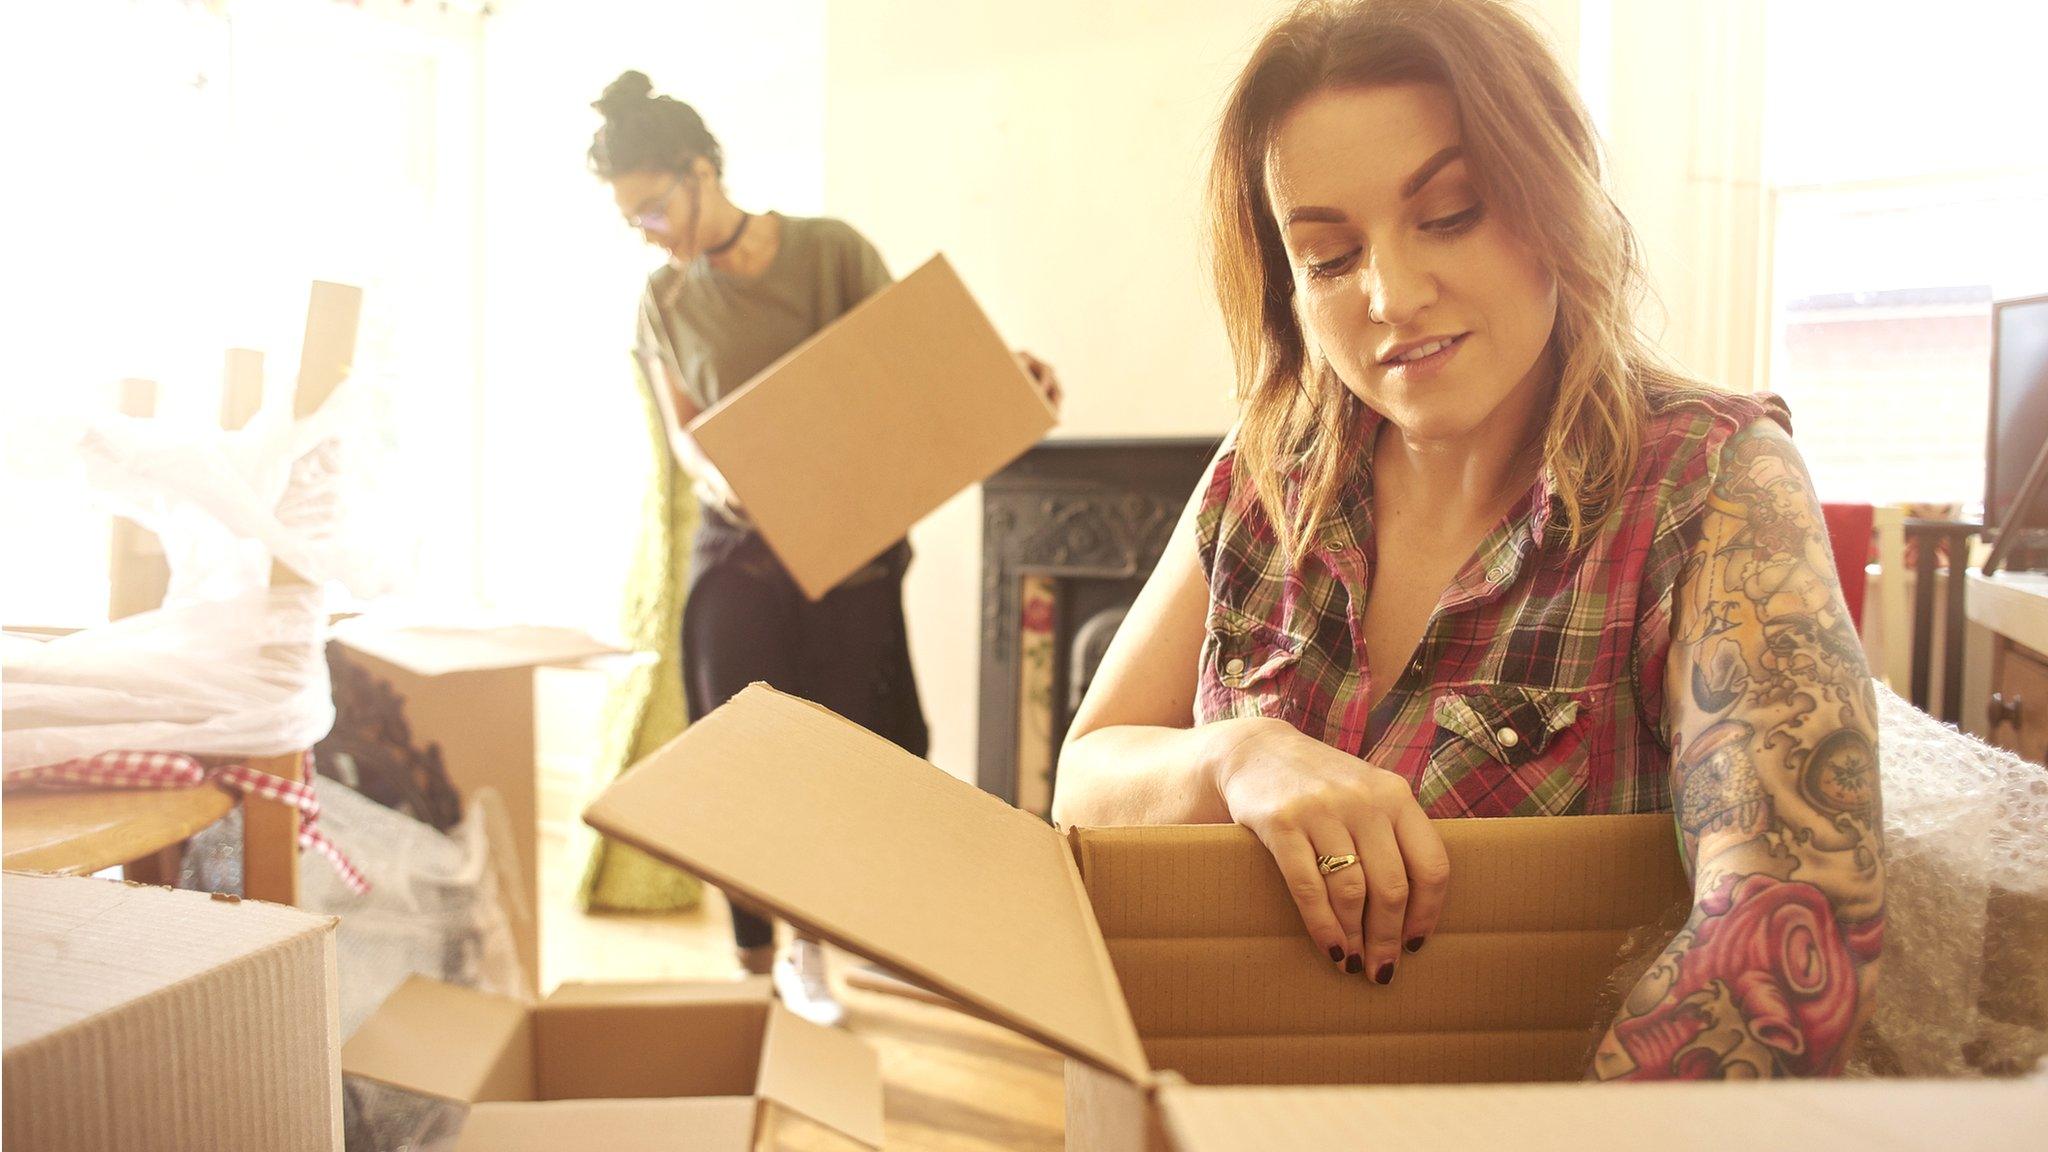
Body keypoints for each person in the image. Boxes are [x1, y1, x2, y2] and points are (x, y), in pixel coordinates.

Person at [1053, 0, 1884, 1080]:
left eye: (1447, 214)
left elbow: (1783, 946)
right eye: (1328, 255)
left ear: (1552, 202)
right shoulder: (1255, 485)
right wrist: (1236, 755)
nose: (1392, 296)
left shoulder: (1709, 486)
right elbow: (1084, 777)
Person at [590, 71, 1060, 1026]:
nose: (647, 231)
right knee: (740, 760)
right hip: (739, 561)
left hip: (850, 559)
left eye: (652, 207)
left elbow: (910, 367)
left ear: (701, 169)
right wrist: (719, 473)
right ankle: (753, 963)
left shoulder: (829, 252)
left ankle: (814, 942)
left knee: (847, 757)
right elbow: (686, 434)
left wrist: (1000, 379)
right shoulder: (662, 300)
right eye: (629, 218)